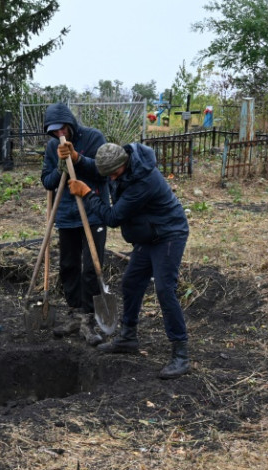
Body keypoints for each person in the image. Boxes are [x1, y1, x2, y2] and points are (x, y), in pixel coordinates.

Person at [64, 142, 191, 379]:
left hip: (168, 234)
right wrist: (78, 159)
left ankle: (181, 355)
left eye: (114, 173)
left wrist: (87, 193)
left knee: (165, 289)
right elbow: (100, 167)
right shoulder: (121, 164)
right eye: (108, 174)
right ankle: (128, 337)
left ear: (124, 164)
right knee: (131, 283)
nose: (111, 178)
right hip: (148, 235)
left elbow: (113, 217)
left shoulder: (144, 181)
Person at [41, 103, 108, 345]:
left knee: (91, 268)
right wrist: (61, 168)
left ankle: (89, 317)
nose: (59, 135)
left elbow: (103, 171)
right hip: (67, 215)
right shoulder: (52, 147)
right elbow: (47, 181)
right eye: (54, 132)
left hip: (93, 212)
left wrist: (77, 159)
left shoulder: (93, 138)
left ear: (70, 125)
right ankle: (74, 312)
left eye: (62, 130)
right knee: (68, 265)